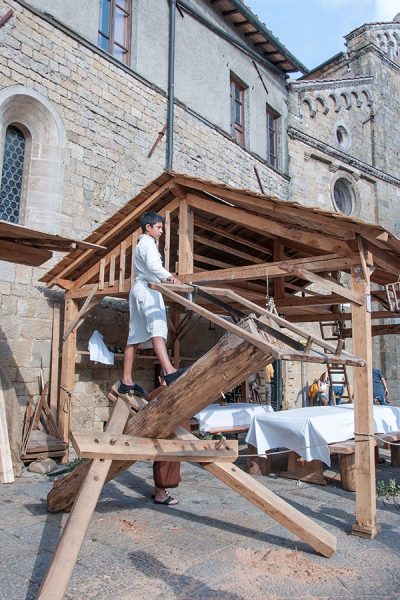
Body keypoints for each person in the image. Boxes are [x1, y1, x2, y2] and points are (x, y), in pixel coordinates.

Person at [118, 211, 186, 399]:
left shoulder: (143, 243)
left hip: (140, 289)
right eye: (158, 227)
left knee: (135, 336)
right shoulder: (148, 244)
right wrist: (169, 277)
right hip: (147, 290)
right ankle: (169, 371)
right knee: (157, 328)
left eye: (162, 227)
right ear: (148, 227)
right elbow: (155, 267)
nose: (161, 231)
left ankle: (126, 380)